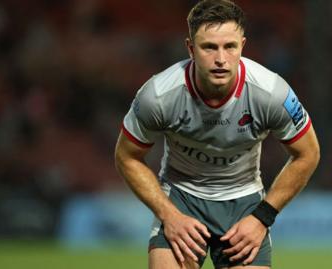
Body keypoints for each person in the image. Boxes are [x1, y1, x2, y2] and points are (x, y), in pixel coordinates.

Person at [114, 0, 320, 268]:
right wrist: (168, 214)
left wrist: (262, 217)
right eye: (209, 47)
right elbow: (126, 157)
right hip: (181, 198)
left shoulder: (271, 93)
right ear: (190, 48)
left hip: (244, 202)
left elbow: (308, 153)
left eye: (229, 46)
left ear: (242, 46)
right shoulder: (158, 95)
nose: (220, 59)